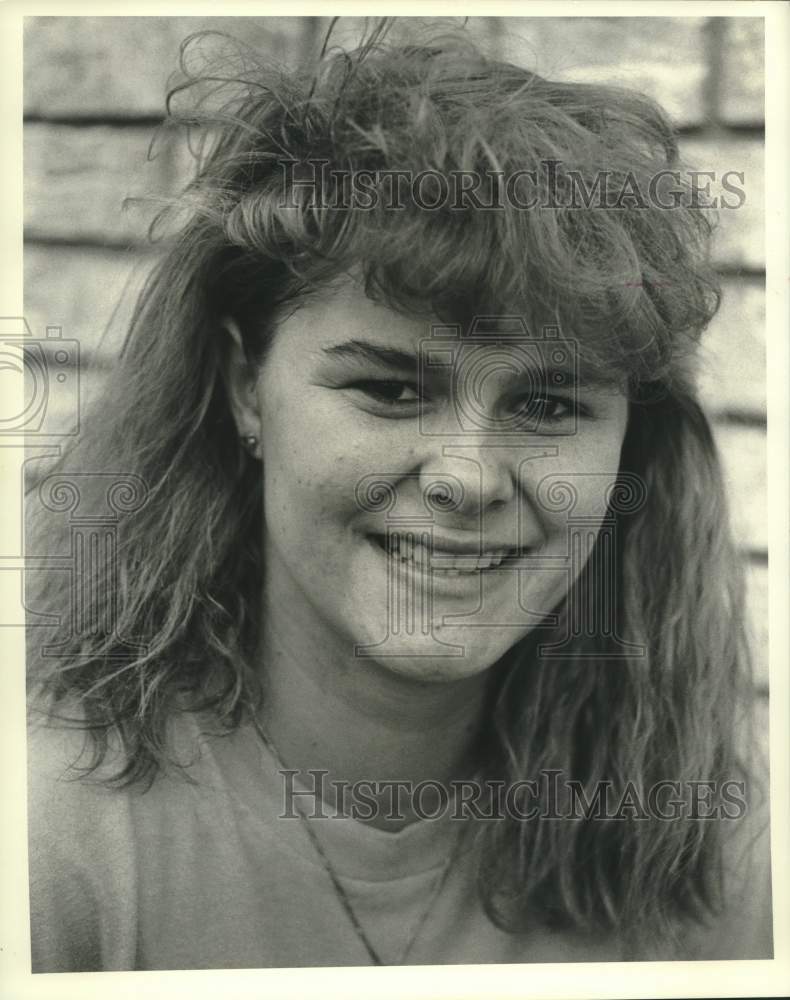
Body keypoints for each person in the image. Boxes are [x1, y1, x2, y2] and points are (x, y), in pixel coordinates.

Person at [26, 24, 771, 971]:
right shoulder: (50, 843)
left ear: (632, 441)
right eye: (390, 389)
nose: (466, 476)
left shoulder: (712, 851)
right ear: (245, 388)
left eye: (547, 403)